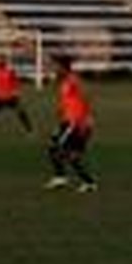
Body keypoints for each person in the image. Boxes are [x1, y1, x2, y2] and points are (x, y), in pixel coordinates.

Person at [44, 54, 97, 193]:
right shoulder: (64, 81)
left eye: (57, 66)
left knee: (62, 150)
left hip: (75, 122)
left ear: (63, 67)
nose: (54, 69)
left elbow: (85, 96)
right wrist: (61, 110)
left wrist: (88, 118)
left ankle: (86, 181)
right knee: (57, 149)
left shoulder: (73, 79)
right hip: (67, 121)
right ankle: (63, 178)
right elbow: (69, 99)